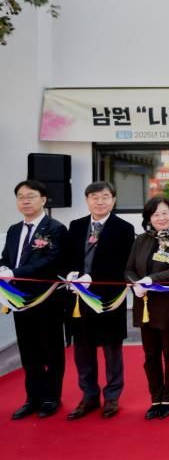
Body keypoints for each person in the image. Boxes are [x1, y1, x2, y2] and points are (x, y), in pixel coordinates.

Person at [65, 181, 134, 420]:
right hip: (78, 300)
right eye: (94, 197)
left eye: (105, 197)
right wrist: (71, 274)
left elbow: (123, 265)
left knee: (112, 350)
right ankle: (89, 396)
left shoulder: (124, 228)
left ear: (113, 200)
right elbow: (67, 258)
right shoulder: (76, 226)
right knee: (82, 350)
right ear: (87, 201)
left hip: (108, 299)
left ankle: (112, 396)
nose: (100, 201)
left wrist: (92, 279)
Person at [0, 180, 67, 420]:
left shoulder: (55, 229)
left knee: (51, 350)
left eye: (31, 196)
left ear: (43, 199)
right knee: (28, 351)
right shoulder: (14, 230)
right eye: (20, 197)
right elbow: (6, 257)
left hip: (46, 299)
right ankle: (33, 398)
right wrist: (3, 268)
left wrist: (15, 273)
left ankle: (51, 398)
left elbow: (50, 261)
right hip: (19, 300)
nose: (25, 201)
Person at [125, 196, 169, 420]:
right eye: (155, 214)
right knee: (150, 354)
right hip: (145, 304)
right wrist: (135, 283)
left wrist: (150, 279)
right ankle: (155, 398)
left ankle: (168, 399)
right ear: (148, 218)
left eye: (165, 213)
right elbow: (129, 268)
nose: (161, 218)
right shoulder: (141, 239)